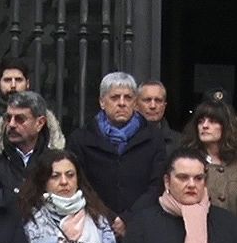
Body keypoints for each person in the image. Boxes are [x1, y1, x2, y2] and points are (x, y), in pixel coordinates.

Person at [68, 71, 168, 225]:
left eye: (128, 98)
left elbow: (156, 185)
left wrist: (128, 218)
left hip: (141, 223)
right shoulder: (81, 139)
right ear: (102, 102)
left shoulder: (153, 137)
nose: (122, 103)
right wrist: (109, 218)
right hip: (94, 223)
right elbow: (80, 184)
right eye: (115, 97)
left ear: (134, 103)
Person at [183, 100, 237, 243]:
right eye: (201, 121)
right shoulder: (185, 164)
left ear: (226, 127)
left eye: (213, 121)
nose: (205, 126)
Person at [0, 89, 65, 191]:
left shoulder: (58, 161)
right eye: (8, 118)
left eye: (20, 119)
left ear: (39, 123)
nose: (11, 124)